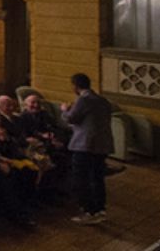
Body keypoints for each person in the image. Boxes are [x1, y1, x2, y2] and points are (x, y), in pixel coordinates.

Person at [60, 73, 113, 225]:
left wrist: (65, 109)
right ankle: (100, 210)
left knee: (81, 179)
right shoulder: (102, 100)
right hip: (102, 145)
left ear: (75, 86)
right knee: (97, 178)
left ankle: (89, 211)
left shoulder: (84, 100)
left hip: (85, 145)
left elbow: (71, 118)